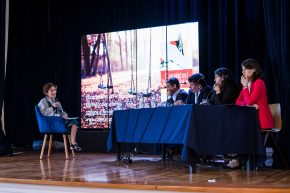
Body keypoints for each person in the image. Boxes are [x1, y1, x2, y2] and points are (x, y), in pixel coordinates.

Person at [38, 83, 81, 152]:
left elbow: (62, 112)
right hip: (50, 123)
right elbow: (43, 113)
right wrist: (53, 107)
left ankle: (73, 143)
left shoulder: (56, 101)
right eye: (51, 91)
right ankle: (72, 144)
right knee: (72, 122)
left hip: (58, 121)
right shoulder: (43, 101)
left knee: (74, 122)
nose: (54, 92)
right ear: (46, 92)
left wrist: (65, 115)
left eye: (55, 90)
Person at [236, 59, 274, 129]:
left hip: (262, 122)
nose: (243, 72)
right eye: (242, 70)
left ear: (253, 69)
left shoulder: (259, 83)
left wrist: (245, 87)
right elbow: (237, 102)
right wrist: (247, 104)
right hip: (252, 120)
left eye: (245, 69)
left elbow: (249, 102)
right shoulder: (246, 84)